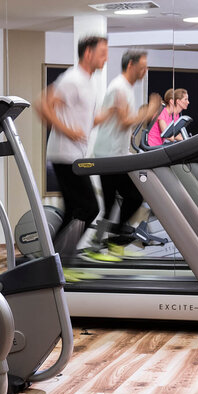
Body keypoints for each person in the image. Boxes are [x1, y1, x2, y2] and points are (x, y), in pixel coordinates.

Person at [36, 35, 117, 274]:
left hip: (75, 156)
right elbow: (43, 104)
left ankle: (55, 263)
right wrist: (67, 130)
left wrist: (112, 113)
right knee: (88, 207)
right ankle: (57, 262)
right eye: (102, 53)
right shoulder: (72, 79)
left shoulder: (88, 82)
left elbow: (88, 121)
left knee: (75, 210)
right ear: (88, 53)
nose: (106, 58)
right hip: (64, 155)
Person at [91, 50, 161, 252]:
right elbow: (125, 121)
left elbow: (122, 122)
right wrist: (149, 110)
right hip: (109, 156)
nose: (145, 71)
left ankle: (102, 243)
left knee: (114, 203)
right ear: (131, 65)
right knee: (134, 197)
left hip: (114, 154)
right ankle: (113, 241)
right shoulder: (119, 87)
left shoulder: (125, 88)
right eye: (142, 67)